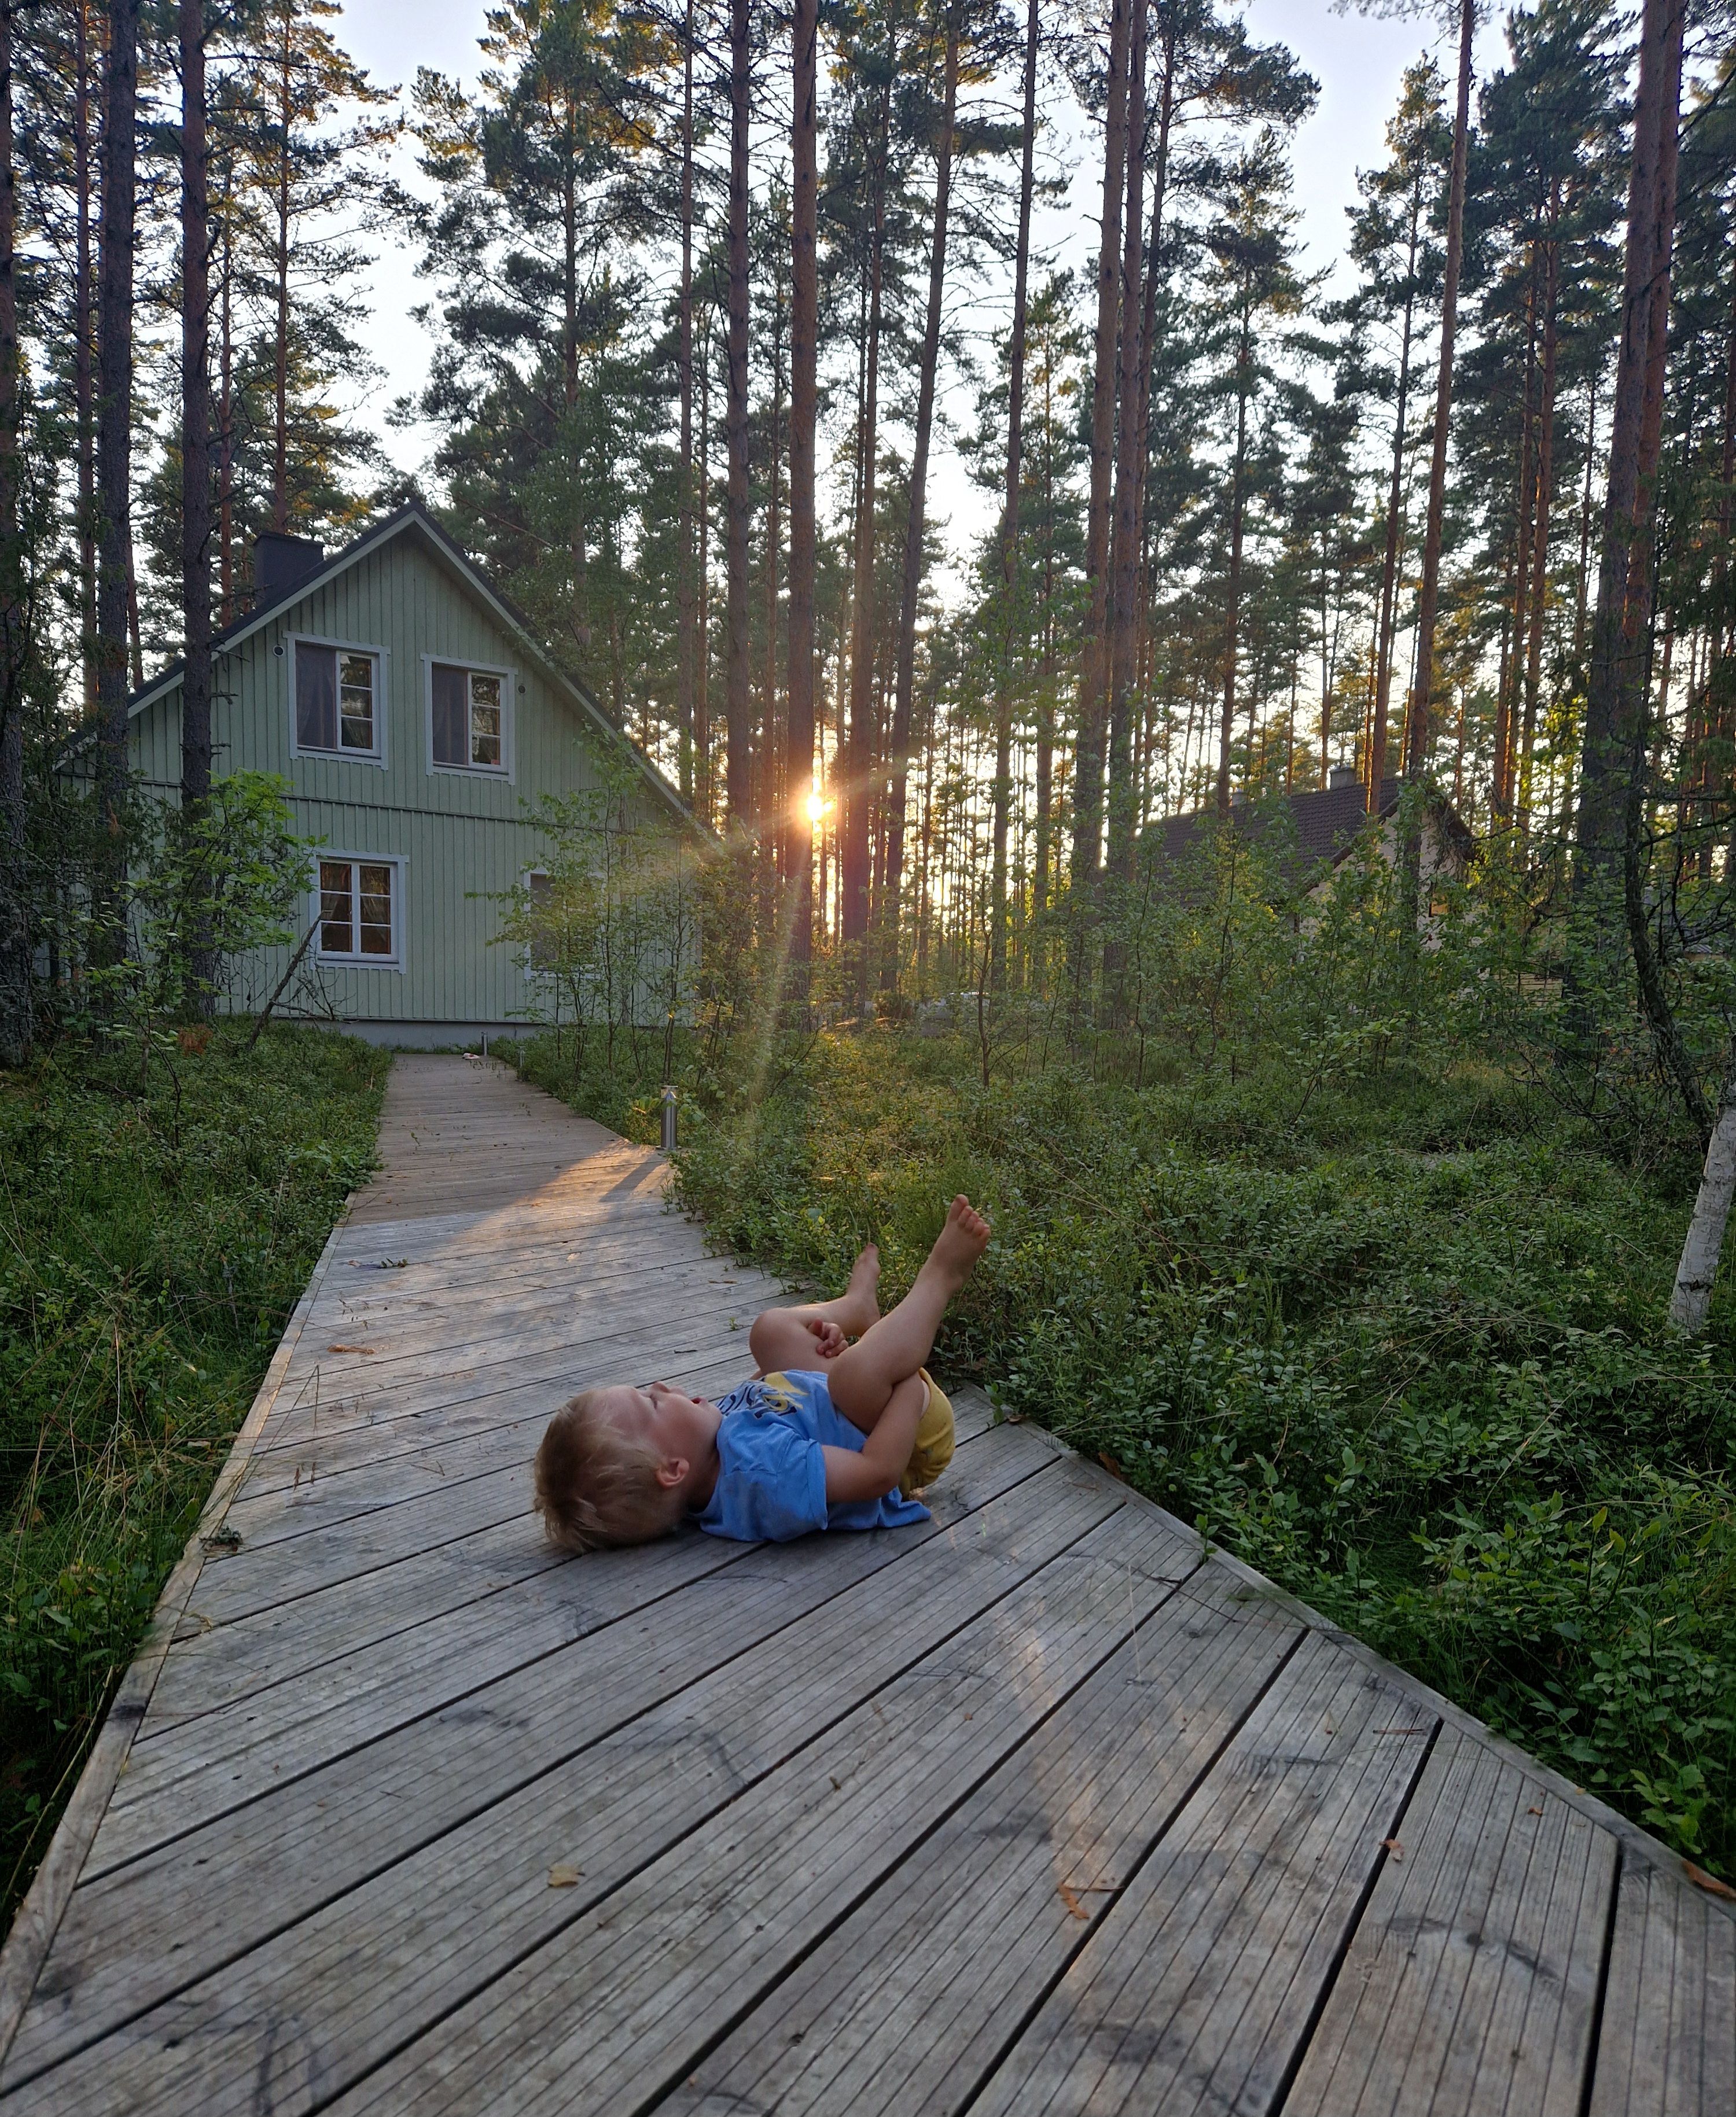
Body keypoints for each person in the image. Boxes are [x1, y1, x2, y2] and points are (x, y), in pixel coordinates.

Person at [533, 1196, 991, 1551]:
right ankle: (941, 1278)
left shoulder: (712, 1449)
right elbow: (877, 1474)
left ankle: (857, 1310)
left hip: (850, 1403)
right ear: (673, 1469)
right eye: (651, 1402)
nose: (659, 1386)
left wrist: (815, 1350)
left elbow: (774, 1395)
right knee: (851, 1377)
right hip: (906, 1432)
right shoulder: (763, 1475)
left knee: (769, 1333)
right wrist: (904, 1386)